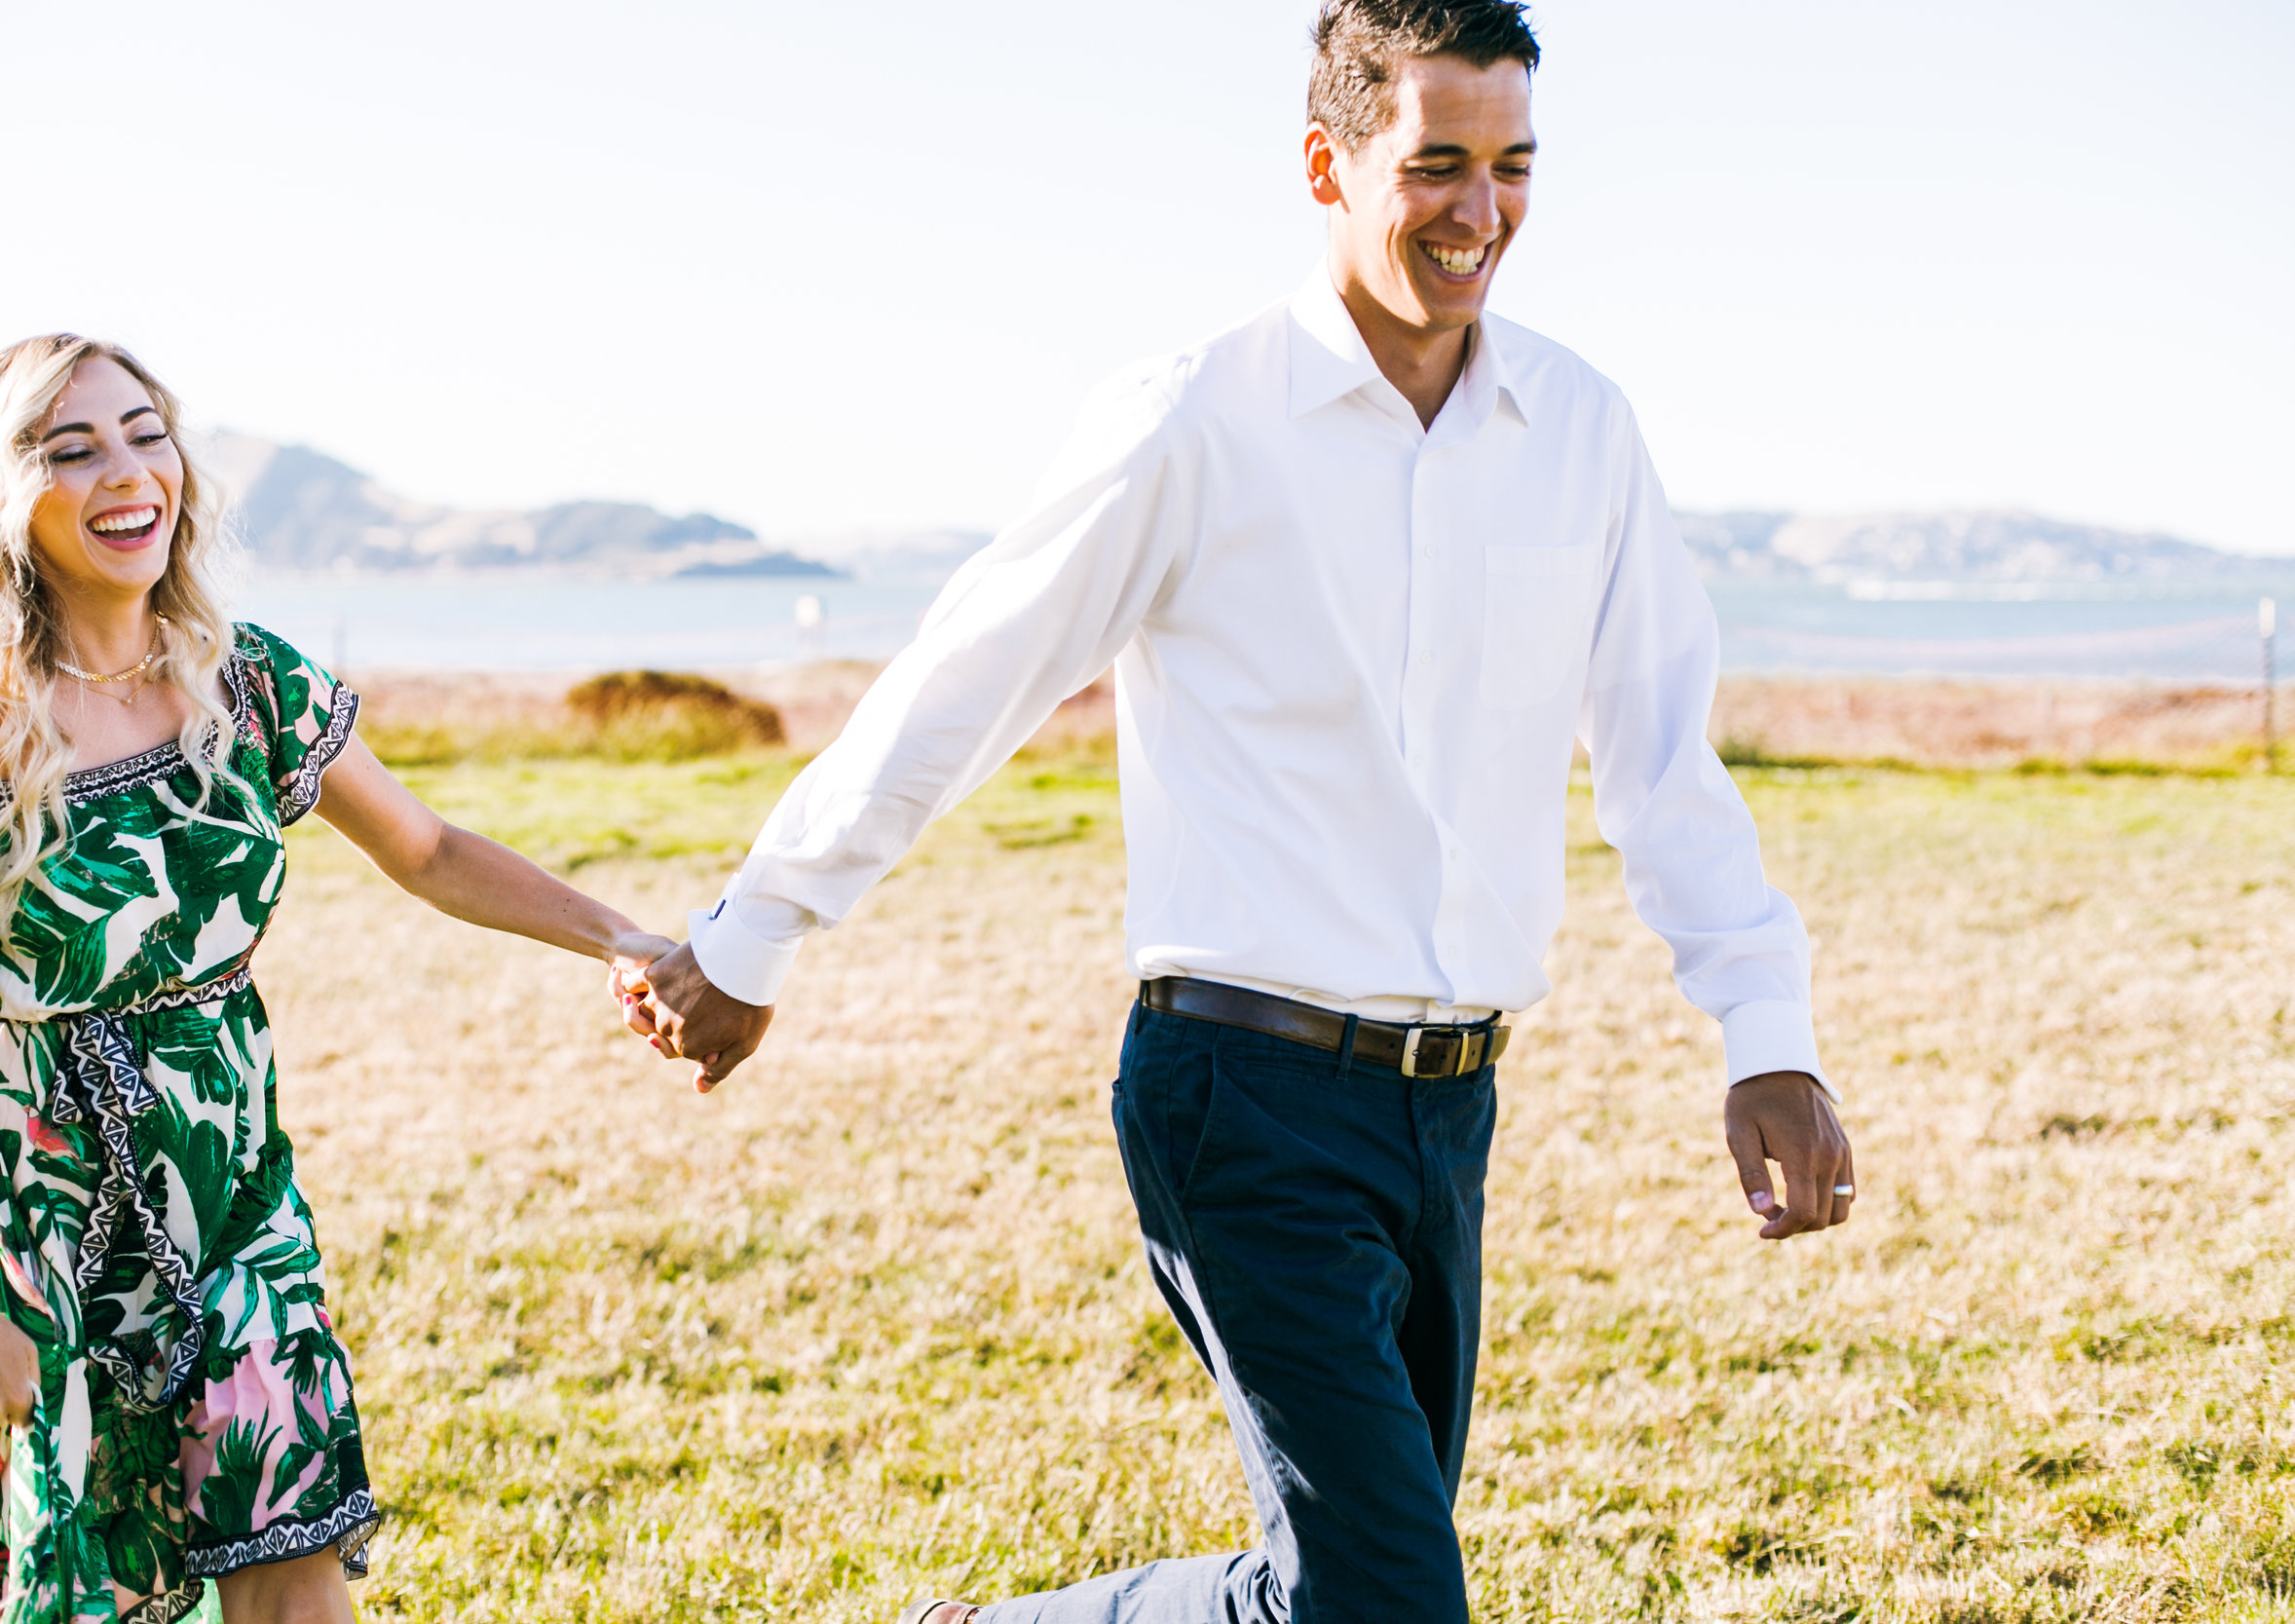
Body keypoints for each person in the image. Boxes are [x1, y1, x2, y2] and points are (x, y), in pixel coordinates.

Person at [623, 2, 1856, 1617]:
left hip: (1451, 1110)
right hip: (1242, 1096)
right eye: (1435, 167)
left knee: (1329, 1593)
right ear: (1325, 164)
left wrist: (1766, 1027)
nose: (1478, 212)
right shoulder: (1196, 415)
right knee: (1394, 1603)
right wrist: (761, 930)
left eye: (1512, 167)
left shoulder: (1585, 434)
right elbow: (967, 680)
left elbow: (1664, 760)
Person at [0, 336, 674, 1624]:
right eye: (71, 450)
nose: (128, 474)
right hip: (27, 1216)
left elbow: (429, 848)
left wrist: (624, 940)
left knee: (286, 1532)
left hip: (232, 1186)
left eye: (146, 433)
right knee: (75, 1582)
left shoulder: (246, 681)